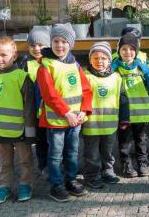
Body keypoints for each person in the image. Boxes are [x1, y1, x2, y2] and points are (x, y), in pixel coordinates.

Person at [37, 23, 93, 202]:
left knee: (72, 153)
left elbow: (86, 89)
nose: (59, 45)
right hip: (56, 122)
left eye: (63, 41)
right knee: (55, 155)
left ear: (70, 44)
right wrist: (66, 112)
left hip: (75, 120)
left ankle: (71, 180)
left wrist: (85, 110)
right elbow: (49, 94)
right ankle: (56, 184)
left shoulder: (75, 65)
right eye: (55, 41)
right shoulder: (46, 65)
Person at [0, 36, 36, 204]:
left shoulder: (22, 77)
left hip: (20, 131)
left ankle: (25, 184)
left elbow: (29, 106)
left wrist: (30, 131)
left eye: (3, 55)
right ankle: (5, 186)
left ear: (14, 56)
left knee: (25, 160)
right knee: (4, 162)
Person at [113, 30, 149, 177]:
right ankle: (126, 164)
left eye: (131, 49)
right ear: (119, 51)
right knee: (124, 140)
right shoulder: (114, 67)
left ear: (136, 51)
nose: (128, 52)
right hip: (123, 113)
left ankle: (143, 163)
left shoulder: (141, 66)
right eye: (124, 49)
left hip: (141, 112)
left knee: (141, 139)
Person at [82, 42, 123, 189]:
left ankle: (108, 171)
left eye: (103, 58)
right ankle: (92, 175)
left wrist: (124, 117)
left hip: (110, 124)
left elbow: (122, 98)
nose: (99, 61)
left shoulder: (117, 77)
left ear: (109, 60)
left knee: (107, 151)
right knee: (92, 153)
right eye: (96, 58)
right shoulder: (85, 76)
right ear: (90, 59)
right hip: (91, 124)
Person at [21, 26, 50, 178]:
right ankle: (43, 165)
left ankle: (59, 164)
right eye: (32, 45)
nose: (36, 48)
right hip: (35, 112)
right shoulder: (26, 63)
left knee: (55, 141)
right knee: (40, 140)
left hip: (50, 110)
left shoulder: (51, 61)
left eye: (40, 45)